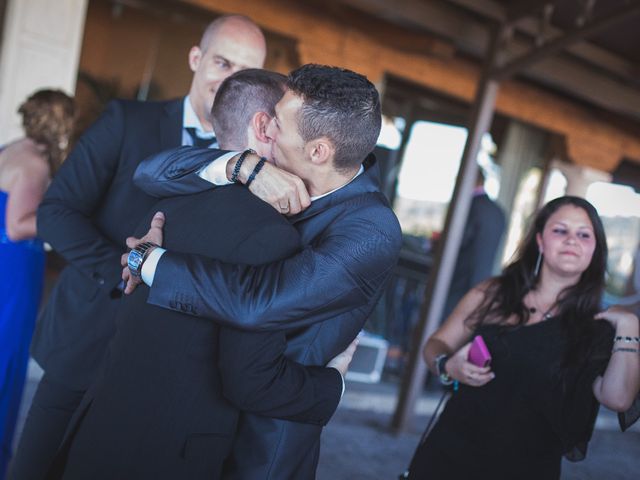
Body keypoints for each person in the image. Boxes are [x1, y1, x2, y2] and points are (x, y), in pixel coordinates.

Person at [49, 69, 353, 480]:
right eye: (289, 125)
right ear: (264, 129)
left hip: (99, 431)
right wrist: (332, 384)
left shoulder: (166, 203)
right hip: (167, 457)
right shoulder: (270, 237)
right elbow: (250, 382)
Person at [11, 14, 274, 480]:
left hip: (164, 372)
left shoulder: (260, 163)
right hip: (89, 333)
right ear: (195, 58)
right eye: (220, 61)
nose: (229, 79)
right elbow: (57, 211)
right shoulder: (127, 121)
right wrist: (127, 265)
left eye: (245, 70)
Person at [126, 64, 403, 479]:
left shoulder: (371, 229)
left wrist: (147, 262)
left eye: (279, 122)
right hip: (197, 405)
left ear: (319, 151)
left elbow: (259, 302)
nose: (267, 127)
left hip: (262, 439)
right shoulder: (268, 167)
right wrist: (239, 166)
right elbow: (148, 173)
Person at [410, 196, 640, 480]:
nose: (572, 240)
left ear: (595, 250)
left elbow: (618, 398)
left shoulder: (596, 327)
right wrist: (447, 367)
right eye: (560, 231)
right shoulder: (492, 293)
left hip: (528, 470)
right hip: (448, 456)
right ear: (541, 241)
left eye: (583, 234)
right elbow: (435, 345)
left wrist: (630, 326)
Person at [0, 90, 74, 480]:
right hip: (11, 268)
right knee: (6, 357)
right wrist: (68, 220)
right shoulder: (34, 161)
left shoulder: (13, 147)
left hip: (7, 265)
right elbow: (16, 226)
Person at [441, 169, 505, 320]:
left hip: (460, 277)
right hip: (482, 278)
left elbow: (458, 240)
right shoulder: (497, 211)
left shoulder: (469, 206)